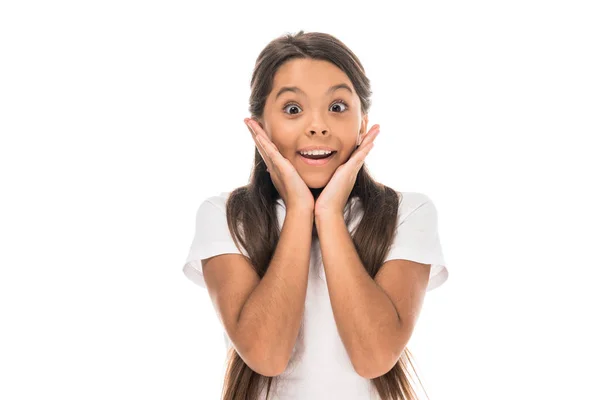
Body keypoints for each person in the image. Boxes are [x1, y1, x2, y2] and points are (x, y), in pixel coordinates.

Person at [182, 30, 449, 400]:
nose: (318, 126)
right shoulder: (226, 216)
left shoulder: (408, 213)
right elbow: (267, 357)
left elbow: (374, 358)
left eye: (337, 107)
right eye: (293, 109)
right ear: (260, 125)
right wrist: (299, 210)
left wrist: (328, 215)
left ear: (362, 121)